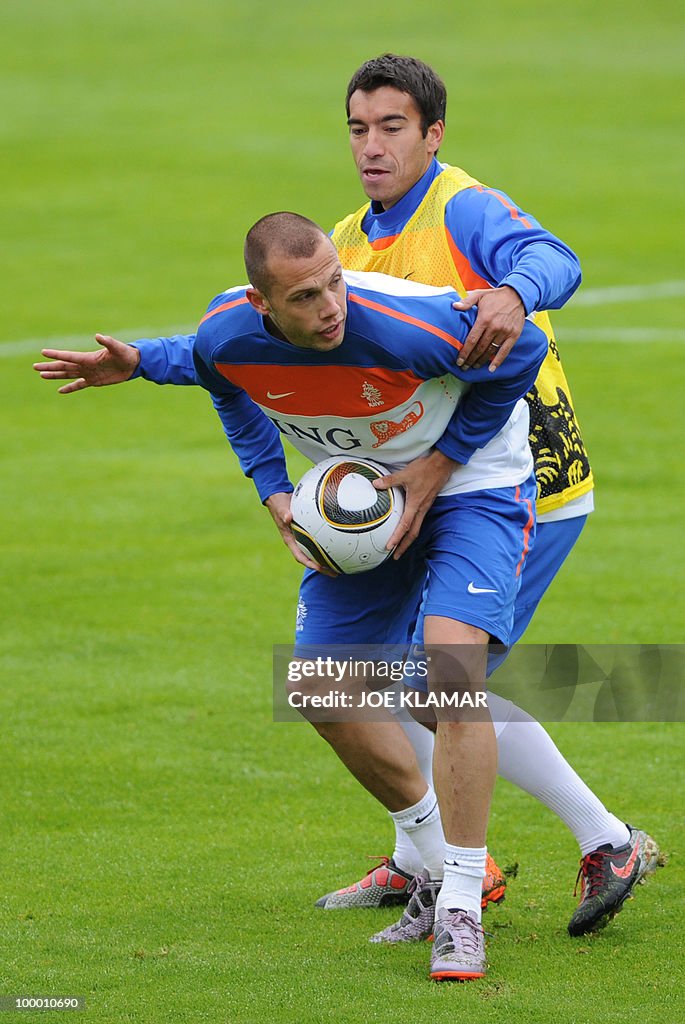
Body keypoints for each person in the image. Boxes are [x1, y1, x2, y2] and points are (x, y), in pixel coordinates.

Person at [34, 56, 660, 944]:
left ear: (432, 133)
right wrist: (153, 364)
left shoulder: (462, 209)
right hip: (404, 475)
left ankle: (576, 845)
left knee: (432, 679)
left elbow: (551, 257)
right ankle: (436, 858)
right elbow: (254, 349)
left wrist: (514, 294)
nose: (371, 147)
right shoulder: (344, 244)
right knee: (374, 678)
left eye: (392, 127)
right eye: (358, 129)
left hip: (517, 471)